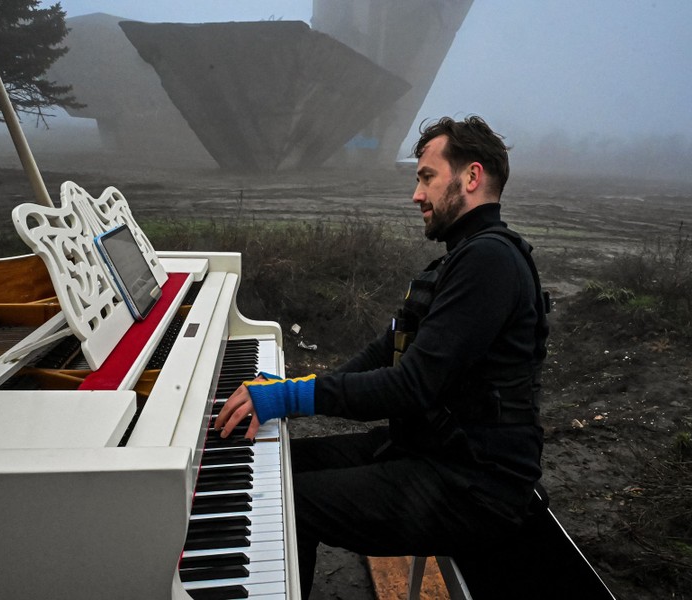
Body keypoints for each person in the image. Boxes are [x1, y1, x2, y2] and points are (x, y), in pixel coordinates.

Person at [215, 115, 548, 598]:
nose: (417, 195)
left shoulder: (489, 262)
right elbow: (384, 350)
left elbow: (411, 386)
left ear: (471, 177)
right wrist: (292, 388)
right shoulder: (460, 259)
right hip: (430, 451)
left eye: (427, 177)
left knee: (289, 503)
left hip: (474, 485)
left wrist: (294, 398)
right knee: (279, 466)